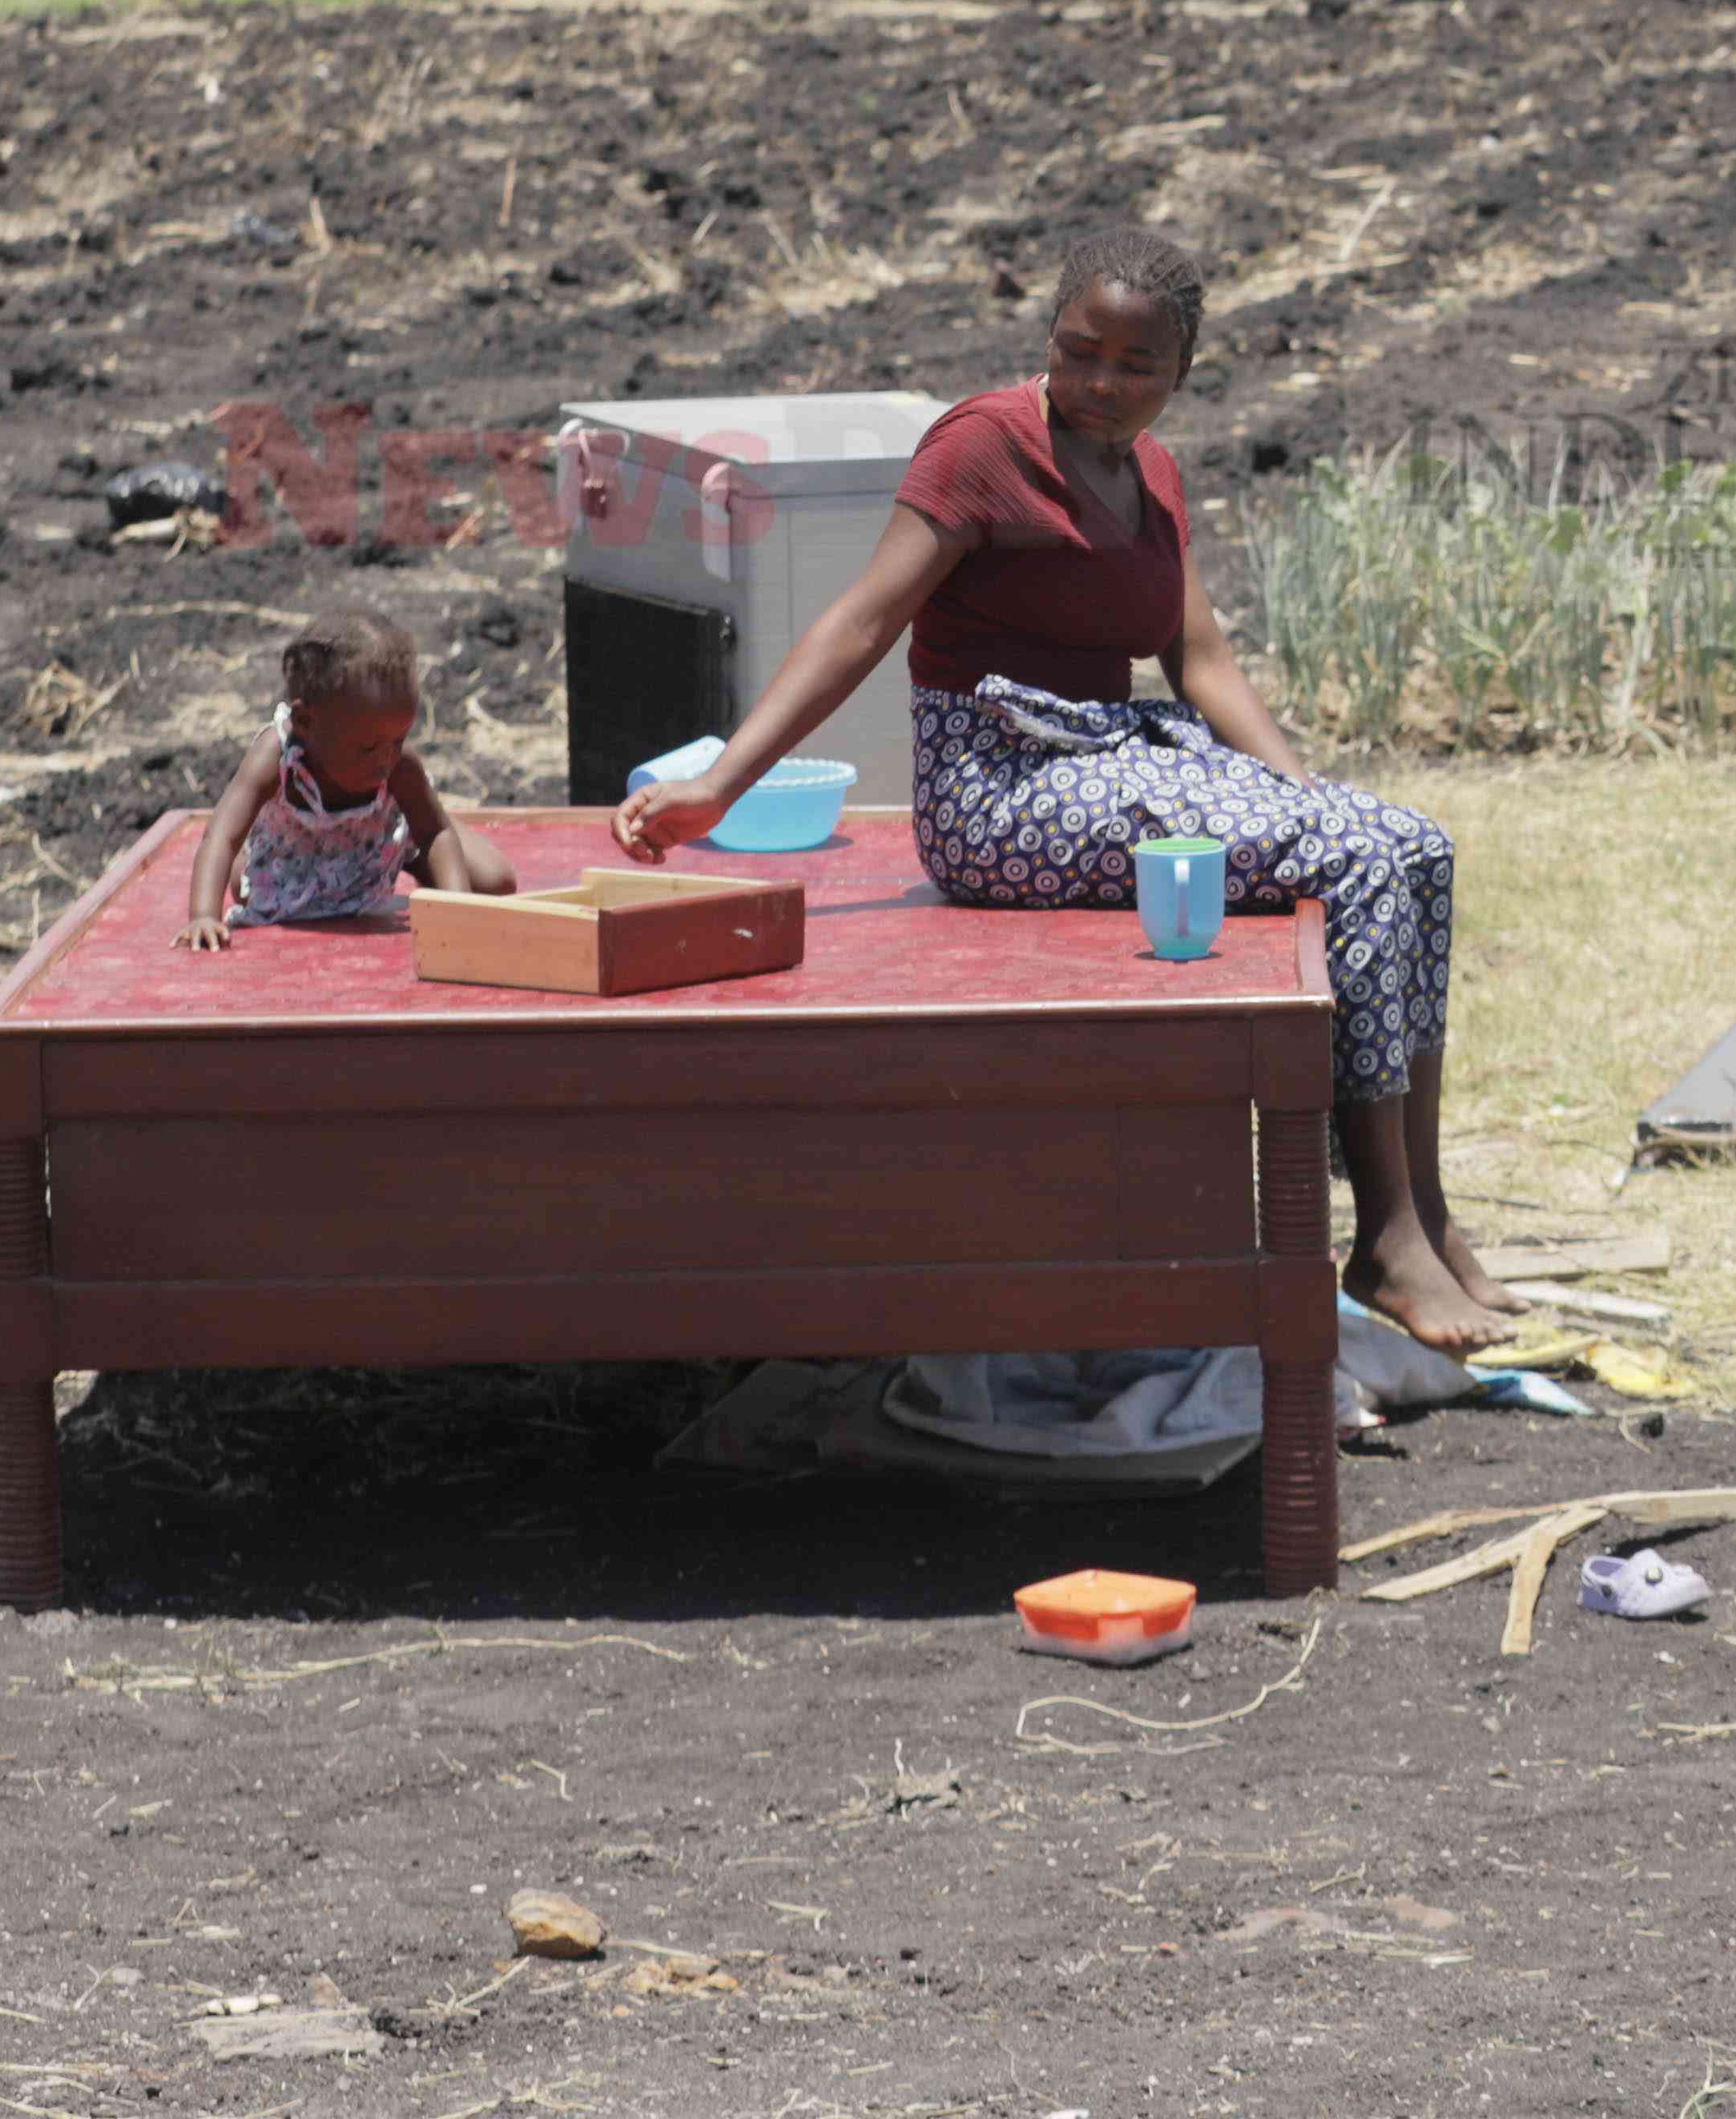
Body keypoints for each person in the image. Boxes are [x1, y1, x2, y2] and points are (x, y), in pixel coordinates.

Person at [612, 227, 1510, 1348]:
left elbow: (1203, 662)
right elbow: (862, 621)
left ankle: (1424, 1210)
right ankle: (1380, 1241)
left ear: (1182, 374)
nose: (1100, 383)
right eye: (1079, 350)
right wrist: (722, 787)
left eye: (1135, 366)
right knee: (1362, 857)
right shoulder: (982, 445)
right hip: (1000, 793)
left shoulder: (1154, 473)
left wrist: (1300, 794)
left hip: (1112, 760)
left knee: (1411, 846)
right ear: (1047, 337)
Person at [180, 607, 514, 949]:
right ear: (306, 723)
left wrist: (455, 909)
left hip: (377, 844)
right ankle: (410, 818)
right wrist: (203, 915)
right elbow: (220, 836)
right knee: (243, 884)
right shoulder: (278, 756)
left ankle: (408, 833)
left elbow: (435, 834)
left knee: (496, 881)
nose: (386, 760)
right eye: (368, 748)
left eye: (398, 740)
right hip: (295, 857)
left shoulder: (398, 764)